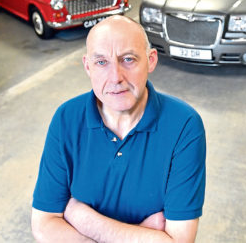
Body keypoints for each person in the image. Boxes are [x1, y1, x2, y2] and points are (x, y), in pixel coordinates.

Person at [31, 15, 206, 242]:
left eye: (128, 59)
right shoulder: (67, 119)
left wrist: (83, 218)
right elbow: (44, 224)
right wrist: (143, 234)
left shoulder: (184, 125)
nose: (115, 77)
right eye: (101, 62)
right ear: (87, 66)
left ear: (151, 60)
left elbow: (180, 240)